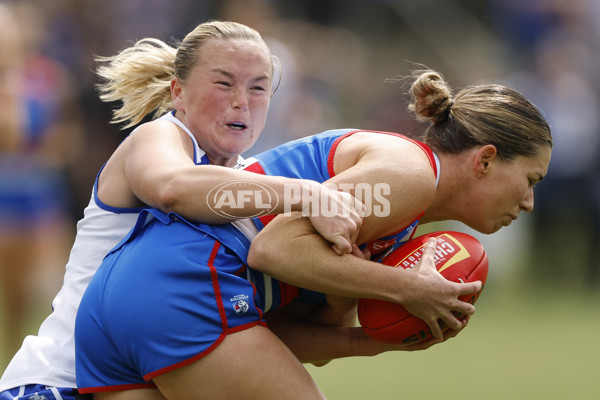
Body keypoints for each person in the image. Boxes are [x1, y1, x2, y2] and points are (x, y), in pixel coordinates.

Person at [73, 69, 553, 399]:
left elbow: (278, 336)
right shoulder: (412, 174)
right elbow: (273, 249)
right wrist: (407, 287)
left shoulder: (401, 216)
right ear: (485, 160)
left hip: (127, 300)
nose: (529, 202)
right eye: (530, 181)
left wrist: (375, 338)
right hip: (186, 285)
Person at [0, 20, 365, 400]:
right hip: (59, 384)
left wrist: (347, 302)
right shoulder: (160, 138)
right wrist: (308, 193)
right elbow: (171, 187)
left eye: (258, 87)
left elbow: (267, 333)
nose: (242, 100)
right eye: (224, 83)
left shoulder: (251, 185)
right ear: (179, 92)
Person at [0, 2, 83, 360]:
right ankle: (14, 360)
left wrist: (55, 148)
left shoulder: (49, 76)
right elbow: (10, 137)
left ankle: (53, 358)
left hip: (41, 191)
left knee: (57, 285)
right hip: (6, 192)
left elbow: (68, 136)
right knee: (14, 294)